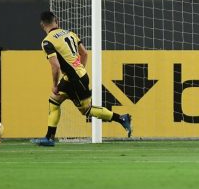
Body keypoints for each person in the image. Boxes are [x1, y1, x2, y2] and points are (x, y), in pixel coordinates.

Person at [32, 11, 132, 146]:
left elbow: (55, 66)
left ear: (42, 25)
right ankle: (49, 137)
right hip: (77, 76)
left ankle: (121, 118)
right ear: (57, 21)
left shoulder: (47, 42)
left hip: (74, 79)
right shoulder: (70, 33)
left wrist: (55, 84)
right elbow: (84, 53)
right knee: (54, 101)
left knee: (86, 110)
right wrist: (80, 69)